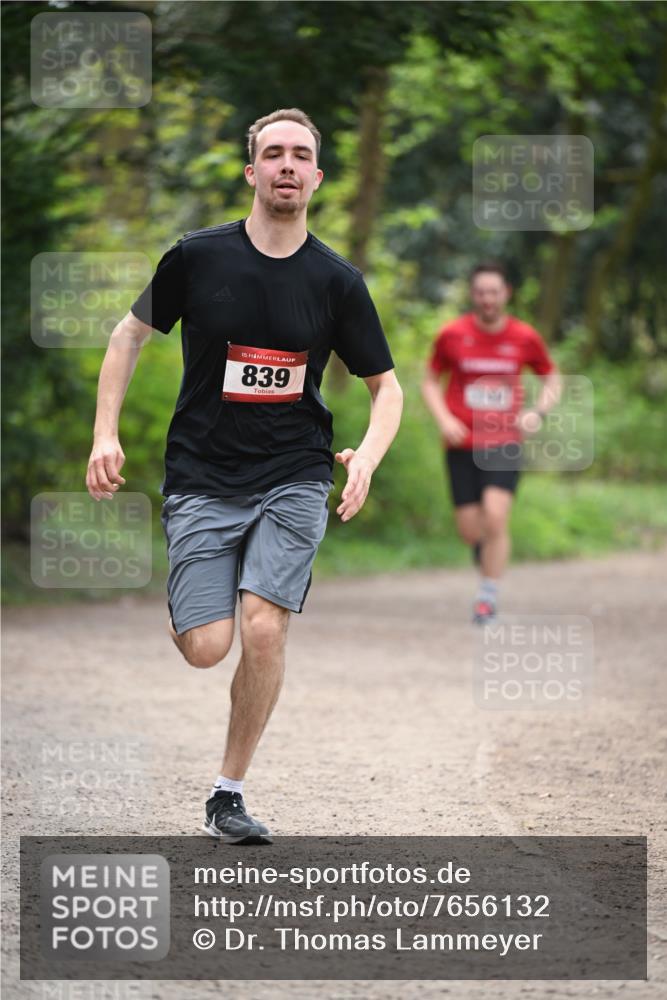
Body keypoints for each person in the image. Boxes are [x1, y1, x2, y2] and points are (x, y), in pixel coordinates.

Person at [86, 108, 402, 842]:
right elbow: (128, 334)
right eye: (275, 153)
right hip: (201, 472)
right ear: (252, 171)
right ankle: (197, 594)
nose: (288, 165)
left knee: (264, 628)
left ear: (317, 177)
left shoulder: (336, 281)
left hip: (295, 470)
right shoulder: (198, 257)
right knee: (208, 647)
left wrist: (366, 456)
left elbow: (386, 387)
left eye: (301, 155)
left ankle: (227, 794)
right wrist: (104, 432)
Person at [421, 263, 560, 624]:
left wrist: (537, 413)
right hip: (461, 443)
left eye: (494, 292)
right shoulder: (452, 334)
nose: (487, 299)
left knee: (495, 517)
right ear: (473, 294)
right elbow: (430, 381)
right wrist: (444, 419)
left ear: (506, 294)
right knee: (470, 530)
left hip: (504, 441)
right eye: (481, 292)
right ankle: (486, 556)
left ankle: (487, 596)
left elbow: (552, 378)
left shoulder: (524, 336)